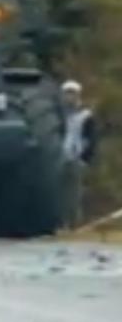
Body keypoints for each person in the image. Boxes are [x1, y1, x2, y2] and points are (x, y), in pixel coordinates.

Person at [59, 80, 97, 229]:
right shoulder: (59, 115)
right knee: (61, 193)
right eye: (66, 93)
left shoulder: (86, 115)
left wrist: (86, 159)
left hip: (77, 158)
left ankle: (74, 224)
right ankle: (62, 223)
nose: (69, 97)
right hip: (61, 157)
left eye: (72, 93)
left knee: (74, 194)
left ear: (78, 95)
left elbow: (92, 139)